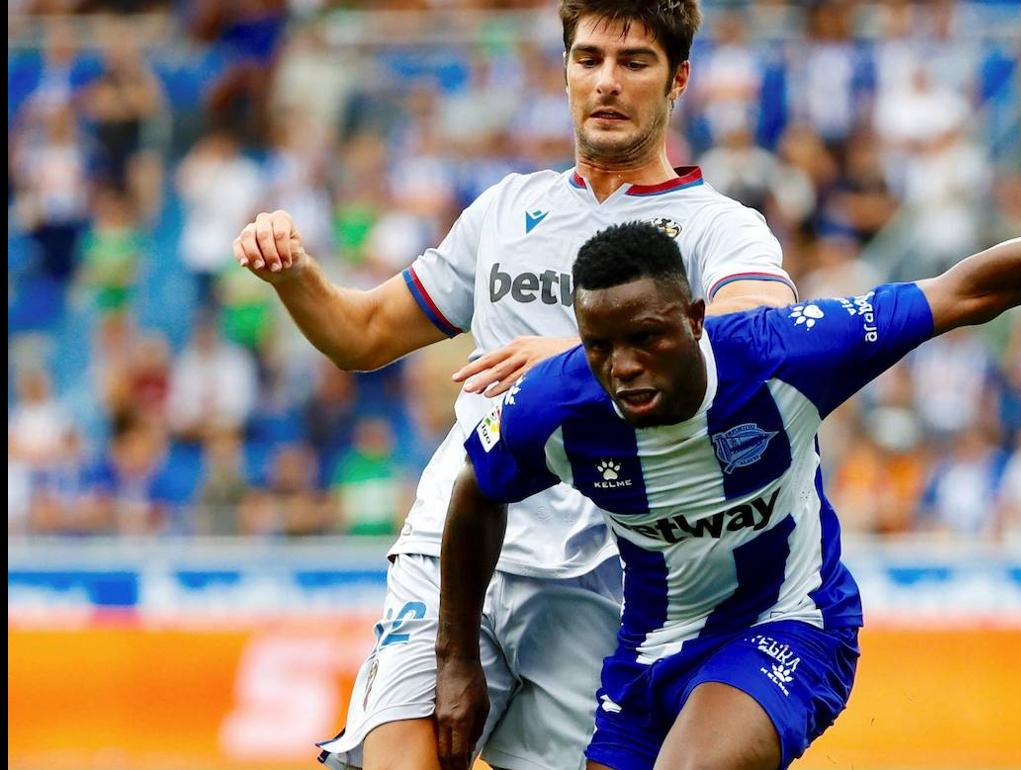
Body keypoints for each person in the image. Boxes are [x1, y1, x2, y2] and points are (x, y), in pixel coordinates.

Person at [435, 112, 1021, 770]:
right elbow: (475, 495)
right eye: (599, 345)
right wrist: (455, 657)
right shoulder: (556, 401)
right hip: (646, 656)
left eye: (646, 338)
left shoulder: (786, 352)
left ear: (694, 319)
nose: (623, 367)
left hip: (788, 625)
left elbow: (968, 290)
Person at [232, 2, 798, 769]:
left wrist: (577, 361)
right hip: (456, 540)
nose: (606, 82)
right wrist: (297, 277)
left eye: (634, 64)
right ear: (564, 70)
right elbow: (362, 335)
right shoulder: (506, 209)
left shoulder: (717, 228)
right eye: (588, 59)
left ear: (679, 81)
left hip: (603, 569)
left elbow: (753, 345)